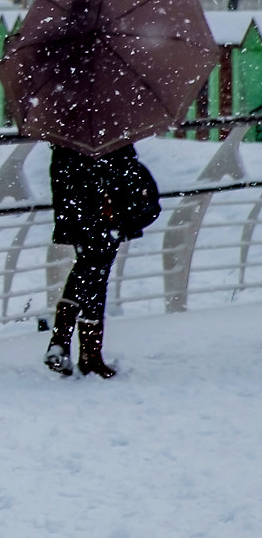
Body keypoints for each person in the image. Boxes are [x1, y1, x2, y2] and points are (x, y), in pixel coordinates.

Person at [45, 141, 161, 378]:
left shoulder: (66, 141)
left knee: (88, 270)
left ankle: (66, 344)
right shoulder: (107, 139)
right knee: (95, 274)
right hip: (104, 212)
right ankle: (85, 353)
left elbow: (63, 178)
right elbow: (122, 168)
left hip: (78, 208)